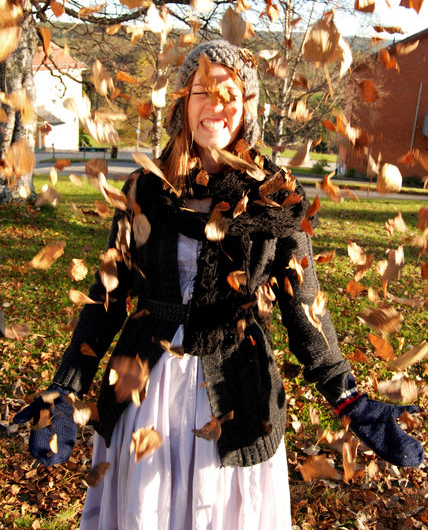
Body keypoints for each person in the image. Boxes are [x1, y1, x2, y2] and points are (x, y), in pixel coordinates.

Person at [14, 40, 423, 530]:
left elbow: (304, 307)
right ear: (183, 103)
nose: (217, 105)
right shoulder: (145, 188)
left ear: (247, 108)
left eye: (230, 93)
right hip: (146, 394)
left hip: (238, 393)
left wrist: (348, 398)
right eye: (203, 91)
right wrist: (65, 388)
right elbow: (108, 296)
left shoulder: (275, 197)